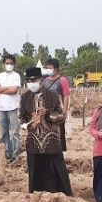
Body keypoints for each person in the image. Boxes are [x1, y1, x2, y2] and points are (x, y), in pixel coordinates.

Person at [19, 67, 72, 195]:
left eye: (34, 80)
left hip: (50, 140)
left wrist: (48, 113)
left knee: (54, 167)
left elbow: (61, 116)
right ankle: (36, 193)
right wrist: (25, 124)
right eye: (29, 80)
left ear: (41, 80)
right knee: (35, 168)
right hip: (33, 139)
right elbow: (21, 117)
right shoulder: (25, 97)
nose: (31, 82)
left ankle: (59, 194)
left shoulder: (52, 95)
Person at [0, 54, 21, 164]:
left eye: (11, 63)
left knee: (14, 132)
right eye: (7, 63)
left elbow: (14, 91)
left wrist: (1, 89)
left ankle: (15, 154)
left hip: (13, 108)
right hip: (1, 108)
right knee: (4, 133)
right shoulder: (0, 75)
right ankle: (7, 153)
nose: (9, 65)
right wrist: (7, 87)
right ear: (4, 64)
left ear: (14, 64)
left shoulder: (16, 76)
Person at [42, 58, 71, 151]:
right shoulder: (45, 81)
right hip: (46, 111)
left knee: (59, 132)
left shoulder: (62, 80)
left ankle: (59, 151)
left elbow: (66, 96)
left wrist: (65, 111)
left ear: (56, 68)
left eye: (50, 67)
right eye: (48, 67)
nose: (49, 69)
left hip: (57, 111)